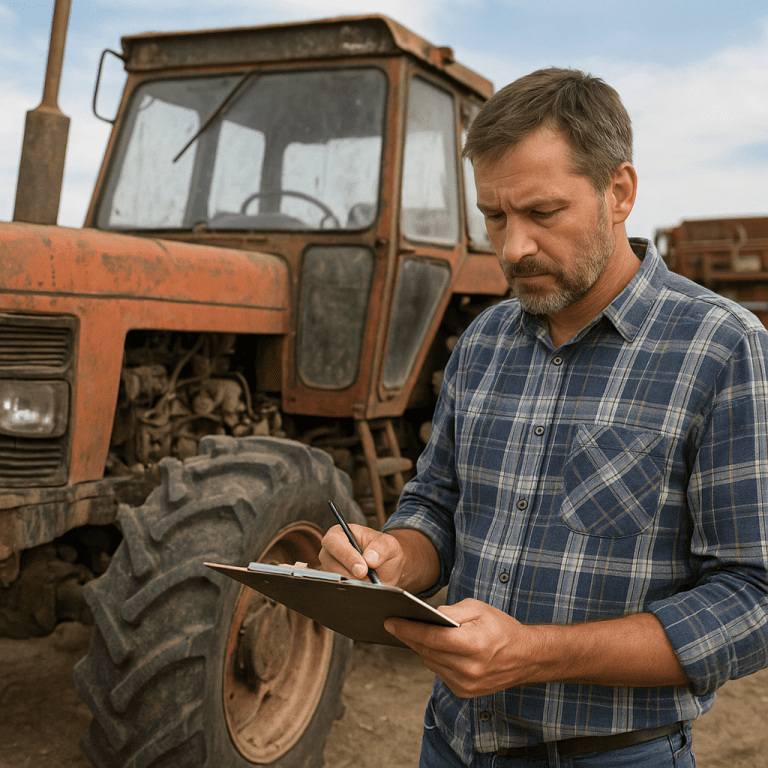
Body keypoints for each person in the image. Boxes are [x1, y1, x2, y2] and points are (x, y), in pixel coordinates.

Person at [319, 67, 768, 767]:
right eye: (494, 216)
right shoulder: (484, 341)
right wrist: (390, 557)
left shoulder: (722, 349)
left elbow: (753, 601)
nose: (511, 248)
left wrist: (534, 655)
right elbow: (437, 504)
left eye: (542, 213)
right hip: (452, 742)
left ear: (619, 192)